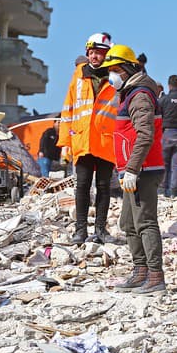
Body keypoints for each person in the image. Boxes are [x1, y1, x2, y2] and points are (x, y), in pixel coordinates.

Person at [103, 45, 166, 294]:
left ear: (129, 69)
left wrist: (132, 168)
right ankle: (140, 271)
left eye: (116, 70)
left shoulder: (139, 95)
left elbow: (145, 135)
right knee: (128, 222)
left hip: (143, 169)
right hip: (133, 168)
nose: (112, 75)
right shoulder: (129, 93)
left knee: (145, 222)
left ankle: (155, 276)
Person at [58, 32, 119, 245]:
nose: (95, 56)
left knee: (103, 186)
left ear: (106, 55)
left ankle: (100, 229)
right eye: (92, 52)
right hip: (82, 140)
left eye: (99, 53)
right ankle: (80, 230)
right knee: (82, 185)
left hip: (105, 140)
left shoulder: (114, 77)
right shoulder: (78, 76)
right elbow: (68, 109)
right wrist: (64, 143)